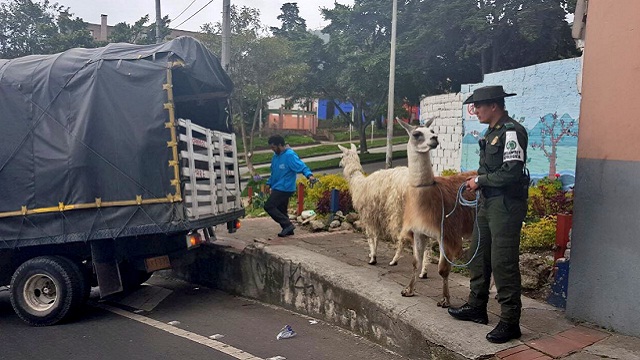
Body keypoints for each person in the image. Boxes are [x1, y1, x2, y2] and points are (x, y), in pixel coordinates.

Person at [448, 85, 529, 344]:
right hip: (487, 203)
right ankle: (476, 307)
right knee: (478, 255)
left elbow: (511, 173)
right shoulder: (491, 132)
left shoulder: (512, 132)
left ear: (494, 106)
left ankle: (509, 321)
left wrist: (480, 179)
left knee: (503, 262)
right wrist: (478, 182)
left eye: (479, 106)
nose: (476, 111)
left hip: (505, 205)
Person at [264, 135, 316, 237]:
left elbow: (301, 166)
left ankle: (288, 225)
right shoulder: (275, 157)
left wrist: (309, 175)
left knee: (269, 206)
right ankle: (288, 230)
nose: (273, 150)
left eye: (274, 147)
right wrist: (268, 183)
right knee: (282, 210)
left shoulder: (289, 155)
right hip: (277, 187)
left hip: (285, 188)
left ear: (280, 145)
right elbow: (273, 173)